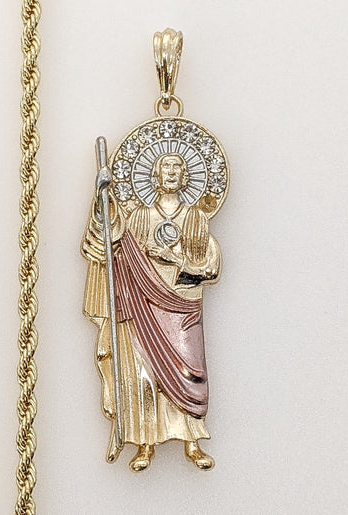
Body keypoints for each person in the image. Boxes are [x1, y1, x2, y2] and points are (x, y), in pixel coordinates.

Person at [82, 152, 221, 471]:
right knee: (143, 372)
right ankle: (145, 442)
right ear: (155, 176)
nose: (171, 172)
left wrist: (175, 260)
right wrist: (103, 196)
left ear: (186, 177)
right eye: (165, 167)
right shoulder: (141, 217)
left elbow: (211, 269)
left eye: (177, 167)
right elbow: (112, 240)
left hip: (183, 306)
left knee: (189, 372)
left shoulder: (196, 218)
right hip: (142, 303)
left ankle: (191, 440)